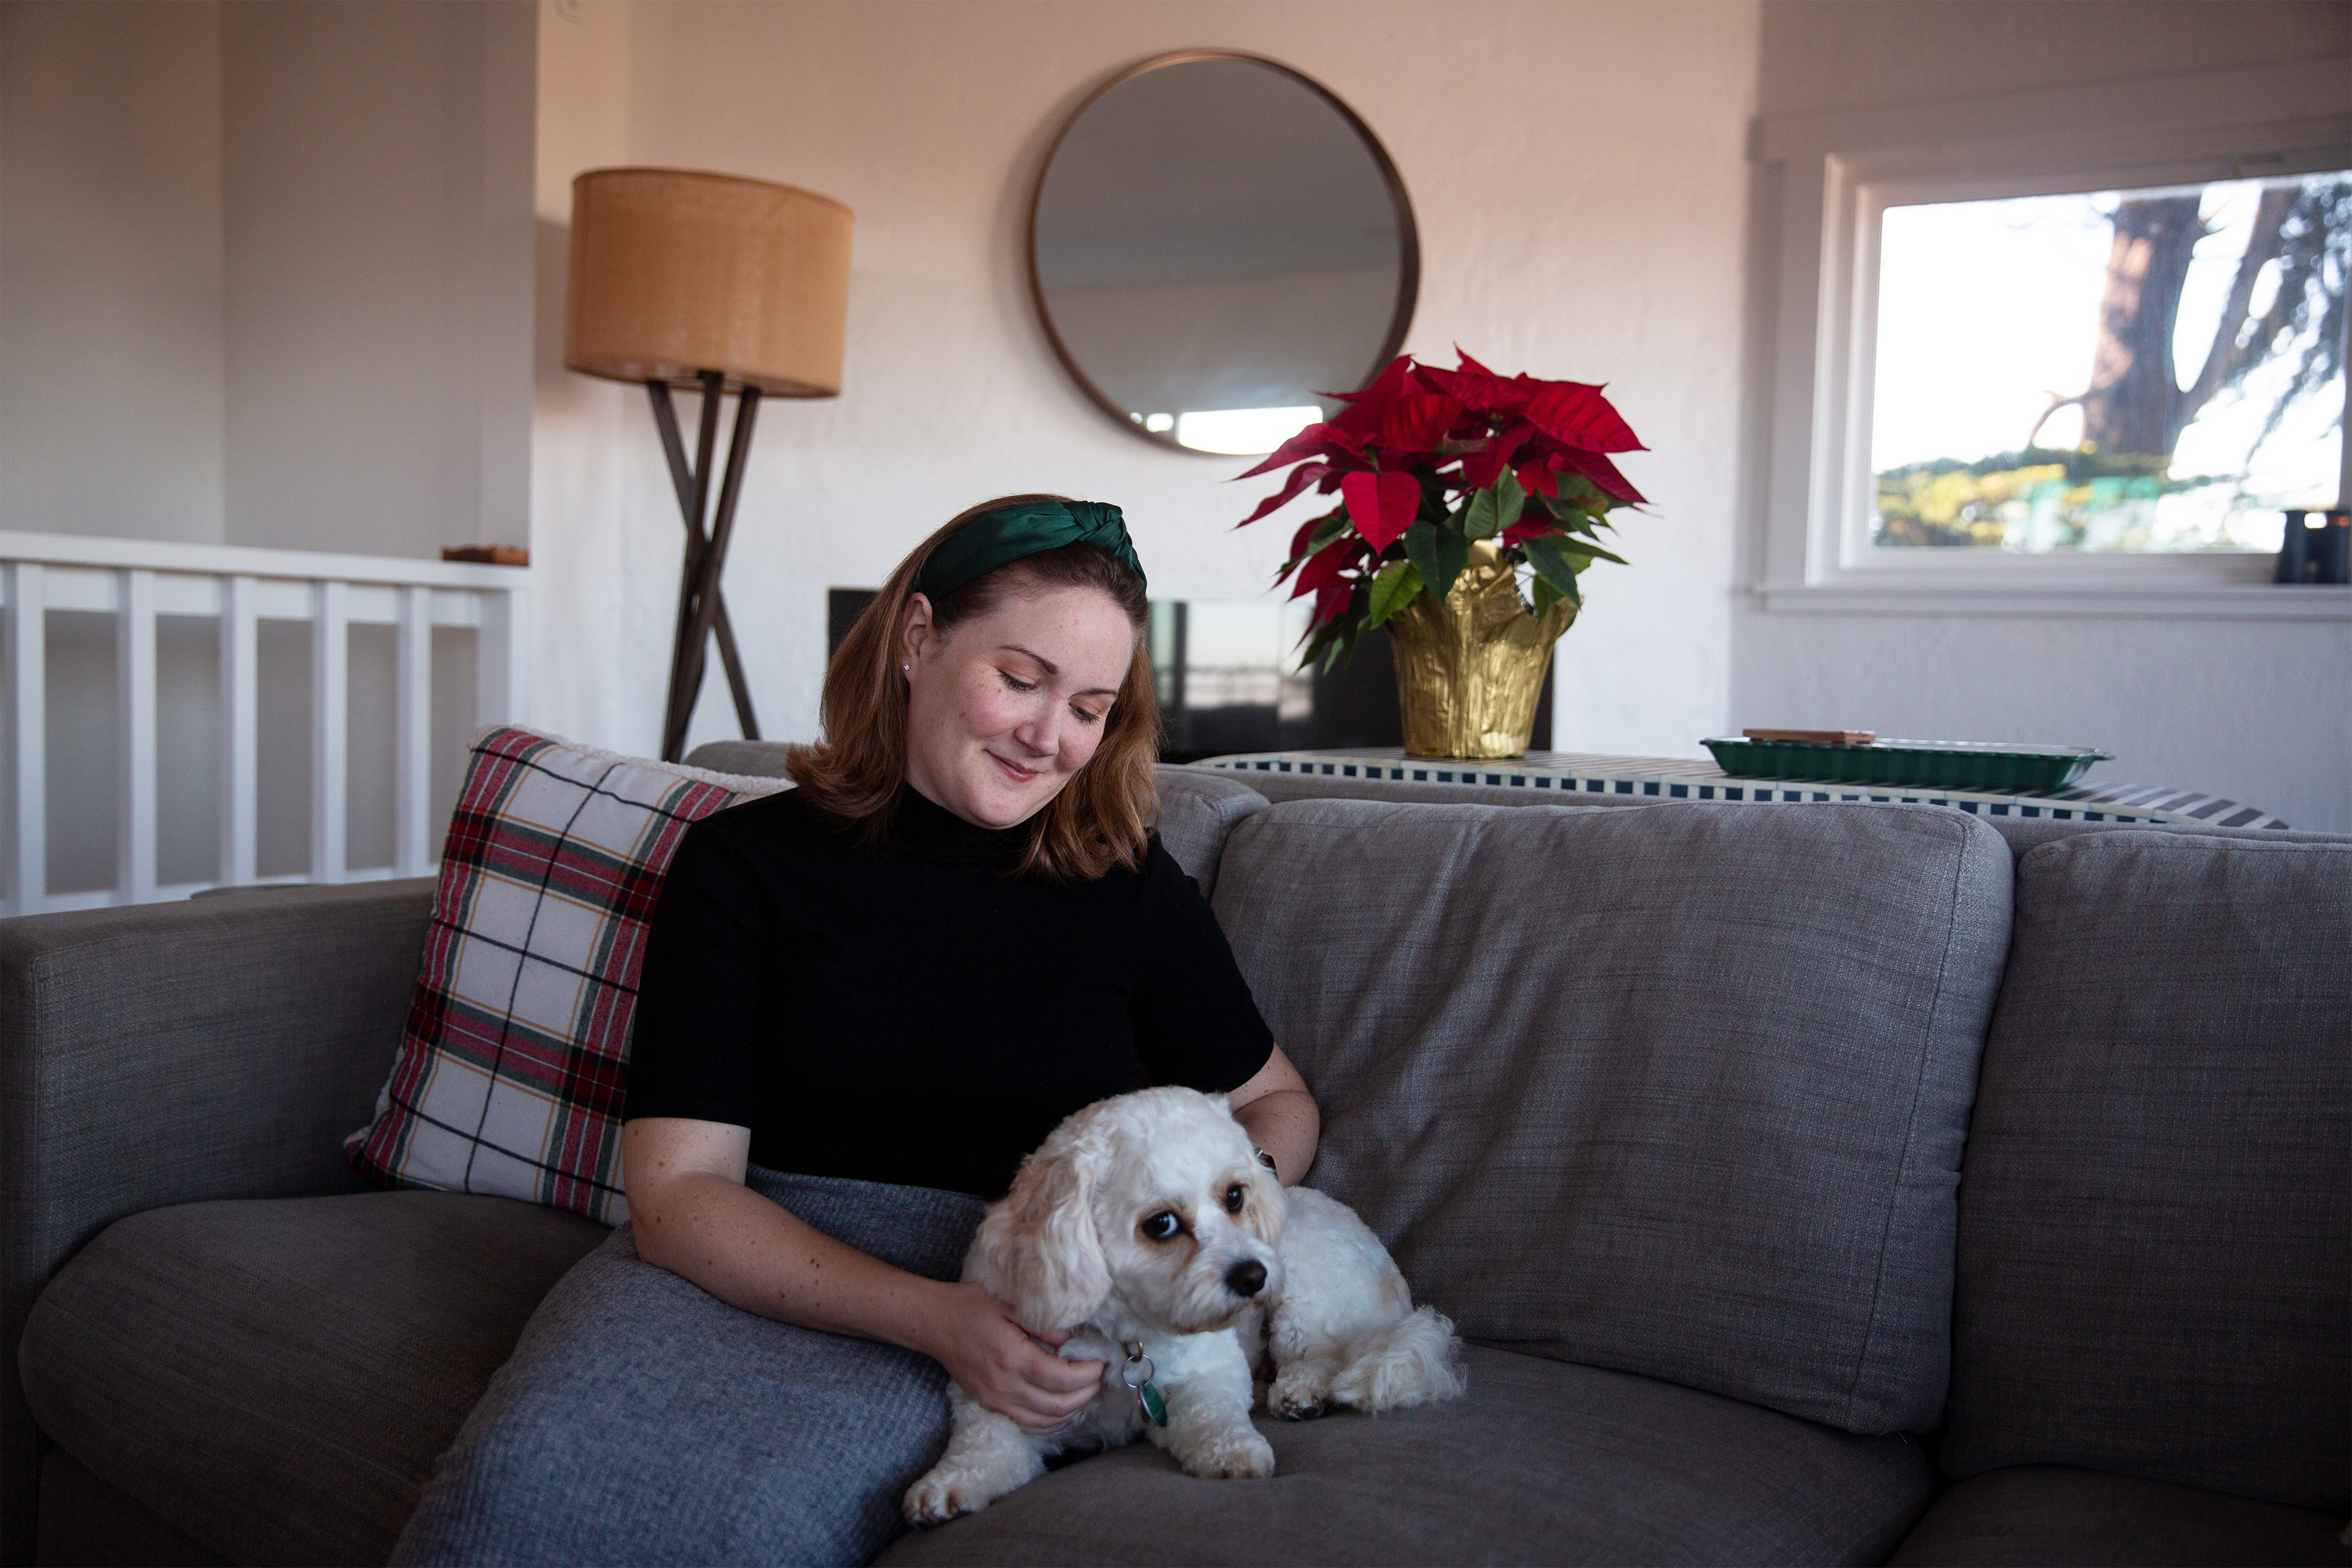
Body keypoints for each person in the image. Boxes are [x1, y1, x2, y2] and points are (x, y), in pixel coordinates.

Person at [390, 496, 1314, 1567]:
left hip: (1002, 1283)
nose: (1049, 736)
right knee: (511, 1496)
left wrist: (1213, 1228)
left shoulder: (1124, 884)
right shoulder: (745, 866)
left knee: (749, 1532)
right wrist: (938, 1320)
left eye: (1091, 705)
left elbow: (1272, 1104)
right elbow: (680, 1195)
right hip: (740, 1268)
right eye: (1021, 679)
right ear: (918, 639)